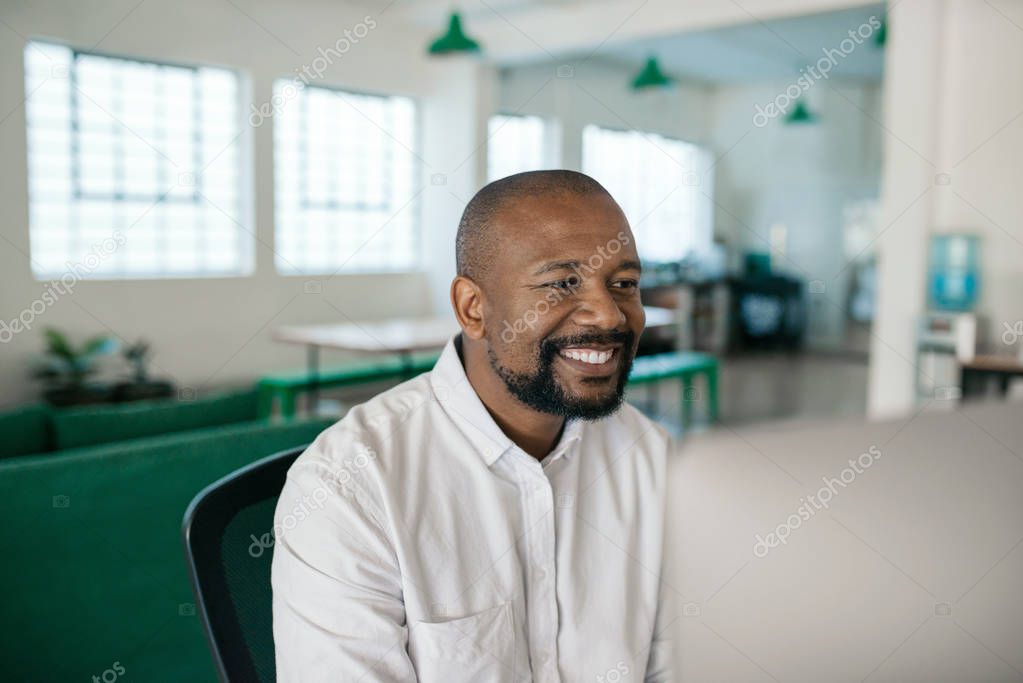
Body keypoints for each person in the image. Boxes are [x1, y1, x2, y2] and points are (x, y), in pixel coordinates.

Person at [272, 170, 674, 682]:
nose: (608, 315)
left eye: (624, 284)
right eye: (561, 284)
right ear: (472, 307)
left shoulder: (649, 457)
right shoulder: (348, 488)